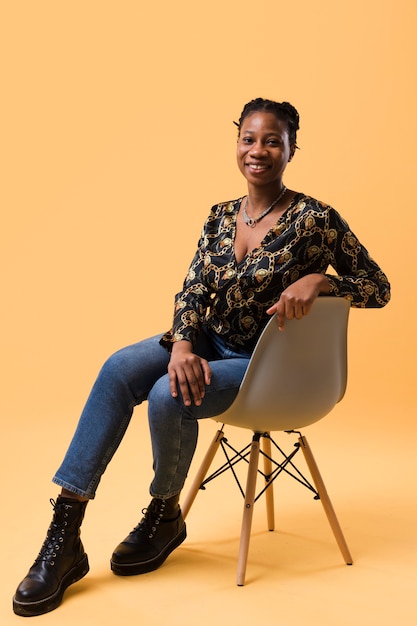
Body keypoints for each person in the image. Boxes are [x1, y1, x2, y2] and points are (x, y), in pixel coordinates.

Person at [13, 97, 391, 617]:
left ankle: (164, 512)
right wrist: (185, 347)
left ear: (291, 149)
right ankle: (65, 534)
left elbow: (379, 286)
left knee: (168, 394)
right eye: (249, 138)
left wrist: (323, 280)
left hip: (264, 363)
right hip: (207, 340)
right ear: (237, 142)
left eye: (272, 141)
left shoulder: (315, 220)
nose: (258, 150)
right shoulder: (219, 217)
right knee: (118, 369)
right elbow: (192, 292)